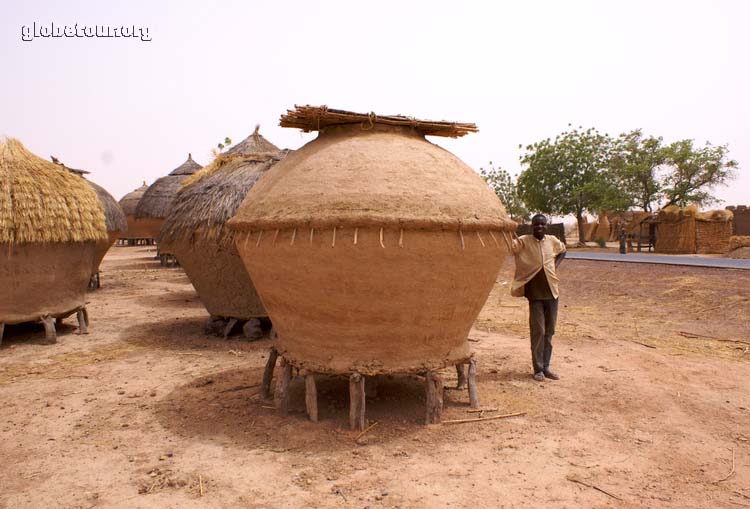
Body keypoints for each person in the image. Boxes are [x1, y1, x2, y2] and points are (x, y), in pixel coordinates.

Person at [511, 214, 566, 382]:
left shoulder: (552, 241)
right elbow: (508, 246)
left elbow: (563, 250)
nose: (539, 227)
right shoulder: (524, 241)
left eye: (542, 225)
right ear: (532, 226)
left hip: (552, 292)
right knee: (538, 331)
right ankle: (538, 369)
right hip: (535, 294)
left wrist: (555, 266)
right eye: (536, 225)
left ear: (546, 226)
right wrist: (506, 229)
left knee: (549, 332)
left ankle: (547, 367)